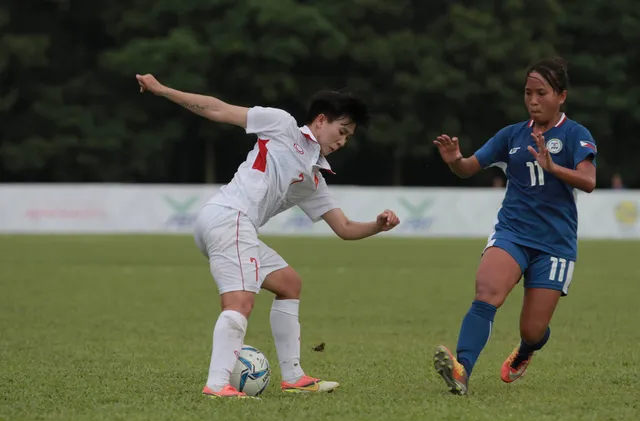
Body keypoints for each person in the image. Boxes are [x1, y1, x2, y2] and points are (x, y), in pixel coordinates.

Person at [136, 74, 401, 398]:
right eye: (341, 131)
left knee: (289, 283)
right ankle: (217, 385)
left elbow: (344, 229)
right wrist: (163, 90)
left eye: (348, 137)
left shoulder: (313, 178)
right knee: (240, 302)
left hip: (228, 224)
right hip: (230, 217)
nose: (342, 141)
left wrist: (378, 225)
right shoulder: (282, 125)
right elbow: (218, 110)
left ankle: (293, 377)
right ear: (320, 120)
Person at [431, 57, 597, 395]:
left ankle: (526, 350)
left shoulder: (576, 134)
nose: (533, 101)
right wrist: (455, 162)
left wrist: (554, 167)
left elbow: (589, 181)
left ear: (561, 96)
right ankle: (462, 371)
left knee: (533, 330)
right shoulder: (511, 136)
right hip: (513, 232)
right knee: (486, 292)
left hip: (555, 244)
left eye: (541, 93)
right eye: (527, 93)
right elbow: (469, 168)